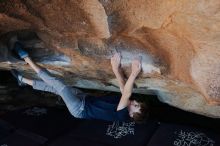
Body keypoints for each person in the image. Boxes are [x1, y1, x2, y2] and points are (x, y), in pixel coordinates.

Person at [10, 38, 148, 122]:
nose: (135, 102)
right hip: (85, 99)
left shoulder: (122, 116)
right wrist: (115, 69)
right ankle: (22, 79)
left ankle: (26, 58)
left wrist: (134, 73)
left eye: (136, 106)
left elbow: (126, 94)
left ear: (131, 114)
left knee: (58, 84)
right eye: (138, 103)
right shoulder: (126, 107)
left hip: (79, 109)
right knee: (54, 88)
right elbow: (123, 89)